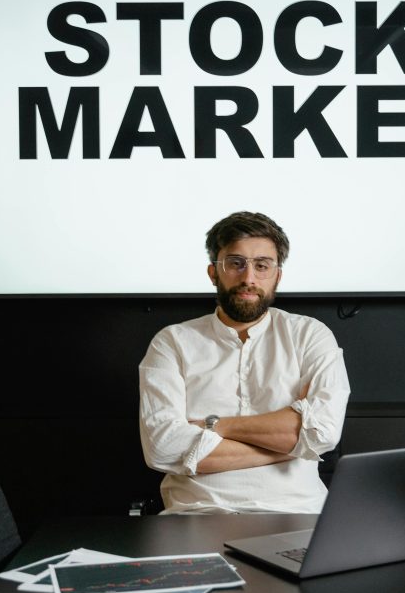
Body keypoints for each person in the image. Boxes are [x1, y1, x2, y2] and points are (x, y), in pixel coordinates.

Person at [139, 211, 350, 514]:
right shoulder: (172, 342)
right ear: (213, 272)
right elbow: (163, 447)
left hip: (298, 514)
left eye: (262, 266)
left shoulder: (310, 336)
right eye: (235, 263)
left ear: (277, 276)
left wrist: (215, 425)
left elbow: (322, 433)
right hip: (198, 515)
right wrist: (293, 448)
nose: (248, 278)